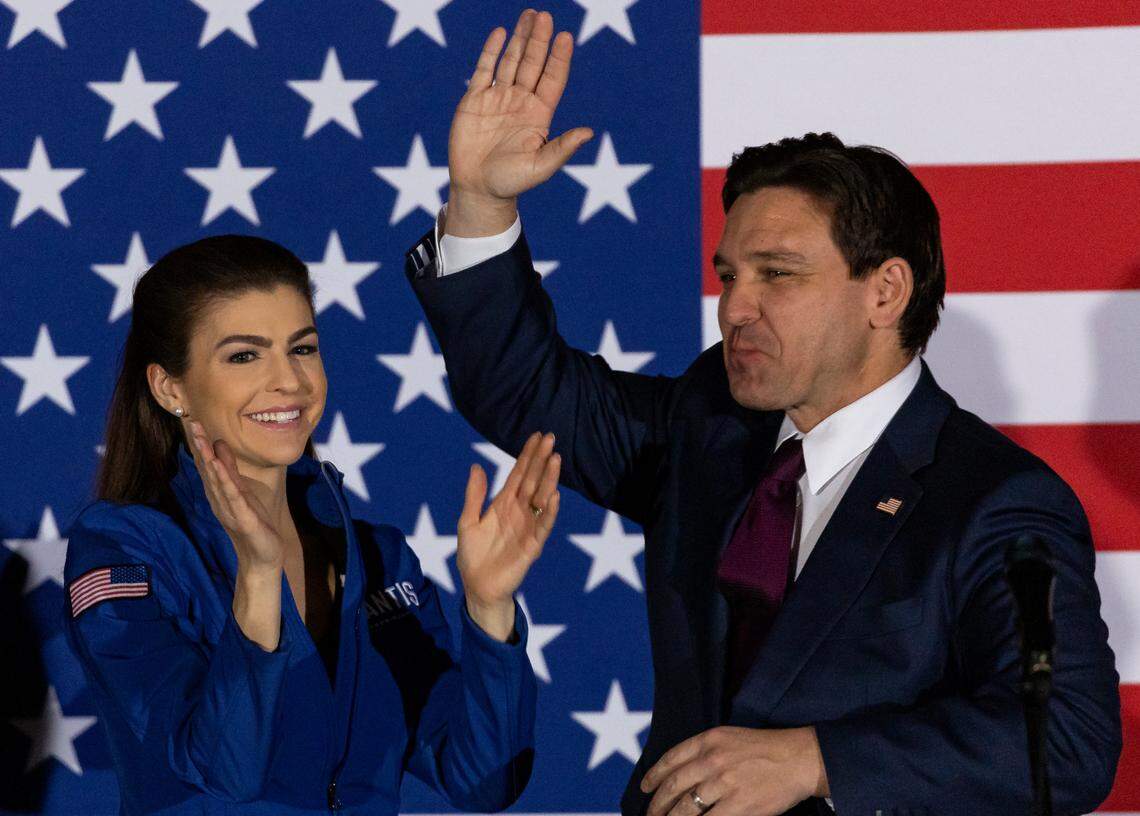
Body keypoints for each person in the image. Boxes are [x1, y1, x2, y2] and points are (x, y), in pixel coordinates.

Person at [401, 9, 1122, 816]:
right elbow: (526, 392)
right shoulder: (709, 430)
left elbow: (1065, 739)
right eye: (729, 274)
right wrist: (477, 201)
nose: (735, 307)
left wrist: (816, 761)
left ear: (885, 291)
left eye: (776, 275)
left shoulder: (993, 501)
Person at [62, 234, 563, 815]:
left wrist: (488, 608)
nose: (290, 381)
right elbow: (228, 771)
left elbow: (480, 782)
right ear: (171, 388)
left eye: (302, 348)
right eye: (245, 355)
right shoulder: (123, 553)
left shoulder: (378, 559)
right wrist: (258, 574)